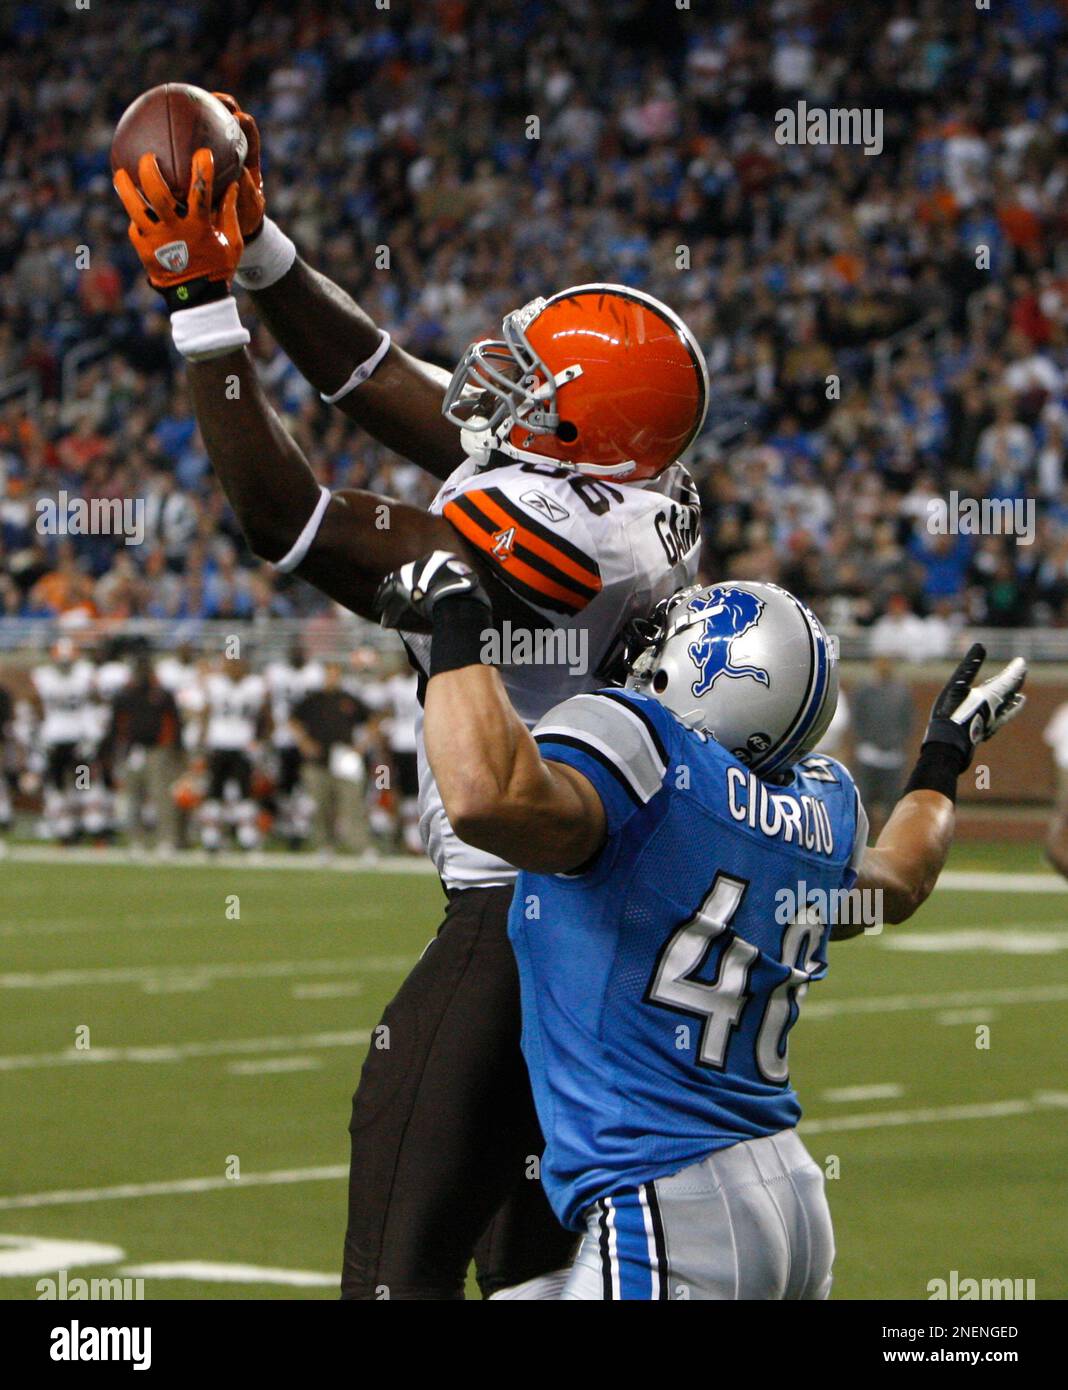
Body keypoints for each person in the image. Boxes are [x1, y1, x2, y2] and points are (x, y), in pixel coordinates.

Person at [114, 113, 708, 1299]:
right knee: (530, 1265)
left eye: (534, 378)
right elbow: (372, 375)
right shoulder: (624, 487)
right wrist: (262, 241)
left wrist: (199, 296)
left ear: (584, 428)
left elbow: (291, 518)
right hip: (589, 928)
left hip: (518, 921)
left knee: (399, 1252)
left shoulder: (566, 535)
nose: (499, 375)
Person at [381, 553, 1027, 1299]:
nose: (651, 652)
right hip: (788, 1195)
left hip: (665, 1204)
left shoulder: (647, 749)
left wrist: (459, 617)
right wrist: (946, 755)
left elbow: (484, 797)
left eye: (675, 640)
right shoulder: (823, 806)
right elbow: (905, 877)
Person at [290, 662, 372, 856]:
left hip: (345, 757)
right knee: (320, 805)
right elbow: (293, 720)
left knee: (353, 803)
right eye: (329, 675)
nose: (332, 679)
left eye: (336, 674)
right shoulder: (313, 700)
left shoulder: (349, 699)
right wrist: (304, 742)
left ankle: (361, 846)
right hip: (318, 760)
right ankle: (324, 846)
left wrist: (362, 745)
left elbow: (374, 719)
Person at [110, 652, 183, 852]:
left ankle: (167, 840)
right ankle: (136, 840)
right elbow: (115, 726)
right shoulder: (124, 695)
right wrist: (112, 751)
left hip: (157, 750)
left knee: (161, 796)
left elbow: (175, 723)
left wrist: (175, 750)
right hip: (133, 750)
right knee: (133, 797)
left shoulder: (161, 694)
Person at [850, 654, 914, 835]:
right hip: (868, 753)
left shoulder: (901, 692)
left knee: (892, 800)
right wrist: (864, 740)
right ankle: (863, 837)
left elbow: (908, 720)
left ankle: (889, 837)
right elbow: (858, 719)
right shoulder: (864, 690)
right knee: (864, 798)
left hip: (893, 755)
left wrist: (899, 742)